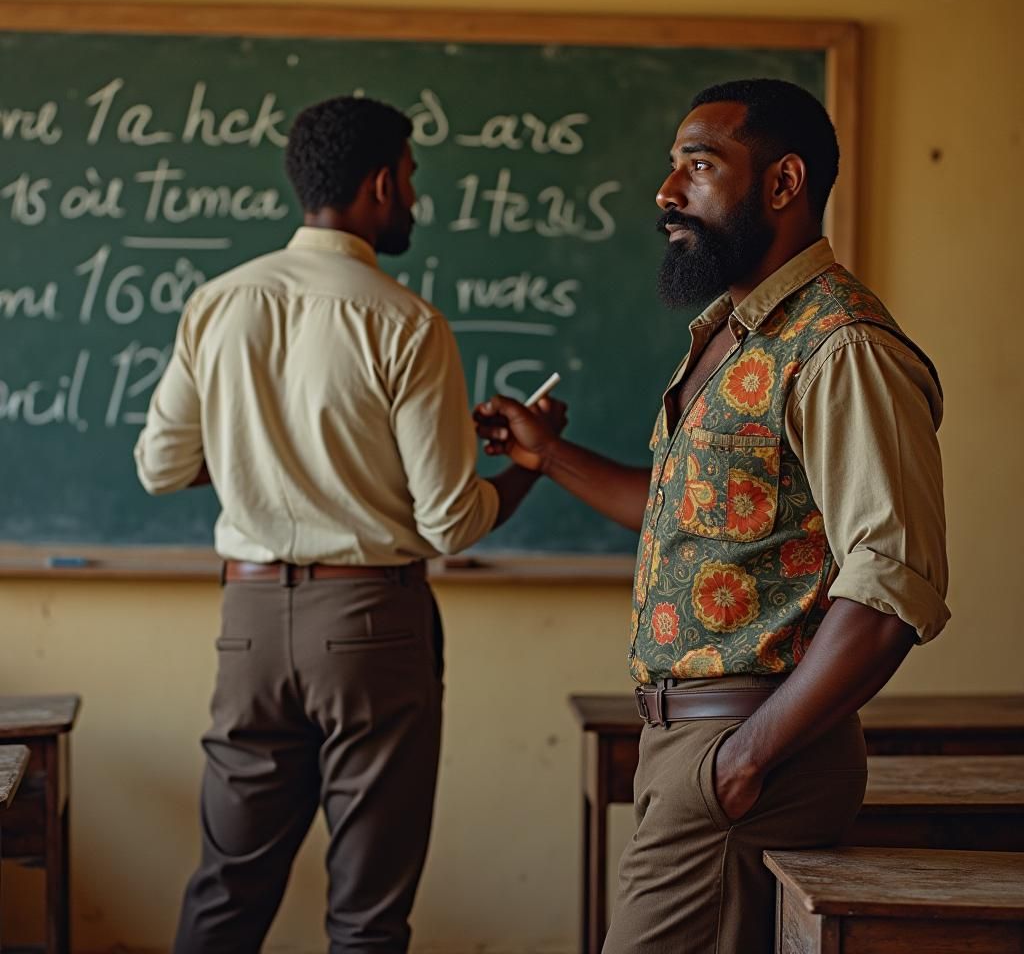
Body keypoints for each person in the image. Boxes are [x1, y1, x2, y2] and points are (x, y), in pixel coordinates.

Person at [474, 78, 950, 953]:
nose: (667, 193)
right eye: (673, 167)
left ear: (782, 183)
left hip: (745, 753)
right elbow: (677, 520)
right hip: (697, 748)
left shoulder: (839, 345)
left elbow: (892, 586)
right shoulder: (735, 334)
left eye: (699, 164)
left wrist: (746, 761)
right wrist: (549, 457)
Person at [134, 95, 560, 954]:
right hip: (371, 626)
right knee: (366, 913)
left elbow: (161, 467)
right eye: (408, 181)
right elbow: (448, 522)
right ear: (376, 186)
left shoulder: (216, 304)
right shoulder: (403, 320)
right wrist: (528, 465)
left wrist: (267, 455)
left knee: (227, 886)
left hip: (248, 625)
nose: (413, 199)